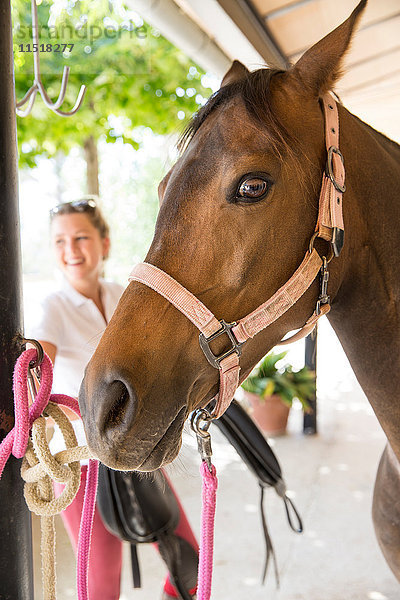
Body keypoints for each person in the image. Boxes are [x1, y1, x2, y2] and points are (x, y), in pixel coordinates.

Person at [26, 197, 198, 600]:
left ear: (104, 243)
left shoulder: (122, 295)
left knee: (189, 564)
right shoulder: (53, 308)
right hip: (82, 467)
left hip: (134, 452)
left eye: (81, 237)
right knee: (101, 589)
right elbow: (37, 375)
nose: (71, 250)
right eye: (60, 241)